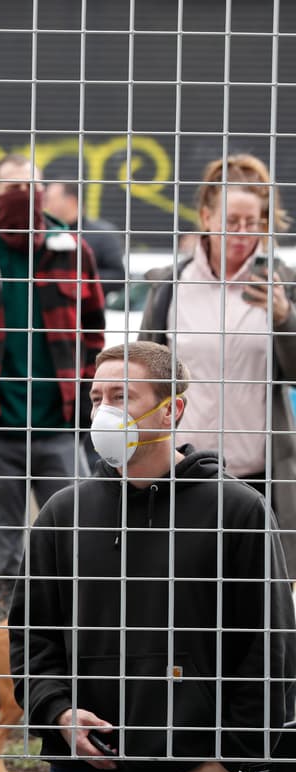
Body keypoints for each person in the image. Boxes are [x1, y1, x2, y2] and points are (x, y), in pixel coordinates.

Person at [10, 341, 295, 772]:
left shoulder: (237, 509)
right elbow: (32, 635)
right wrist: (60, 714)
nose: (104, 411)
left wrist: (226, 760)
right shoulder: (64, 513)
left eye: (122, 397)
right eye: (96, 398)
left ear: (172, 410)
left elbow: (271, 645)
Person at [0, 153, 106, 619]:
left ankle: (77, 634)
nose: (22, 198)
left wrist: (86, 399)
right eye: (11, 188)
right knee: (4, 559)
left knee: (78, 542)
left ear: (45, 193)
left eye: (31, 187)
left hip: (58, 430)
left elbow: (94, 334)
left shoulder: (73, 250)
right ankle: (9, 654)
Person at [138, 153, 296, 583]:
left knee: (257, 597)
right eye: (233, 220)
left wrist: (285, 319)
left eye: (254, 222)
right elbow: (145, 370)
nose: (244, 234)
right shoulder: (172, 286)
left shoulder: (281, 281)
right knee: (186, 592)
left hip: (259, 474)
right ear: (206, 217)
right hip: (184, 469)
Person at [42, 181, 128, 289]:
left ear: (71, 201)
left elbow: (118, 276)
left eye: (49, 200)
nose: (44, 205)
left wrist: (76, 279)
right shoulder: (42, 232)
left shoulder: (103, 235)